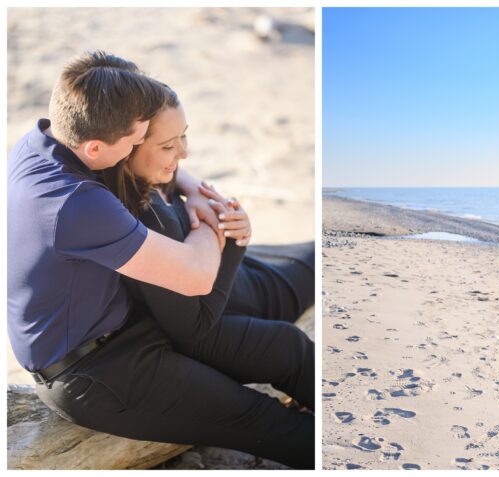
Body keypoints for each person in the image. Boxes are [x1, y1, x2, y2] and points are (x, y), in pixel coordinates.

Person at [7, 51, 312, 469]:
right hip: (97, 374)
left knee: (285, 345)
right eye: (137, 141)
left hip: (127, 327)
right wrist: (208, 216)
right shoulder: (78, 204)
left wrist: (183, 180)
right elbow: (197, 276)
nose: (143, 147)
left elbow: (140, 159)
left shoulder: (44, 139)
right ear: (97, 147)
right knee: (262, 419)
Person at [98, 82, 315, 409]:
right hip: (248, 296)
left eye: (183, 136)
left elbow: (173, 165)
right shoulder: (149, 221)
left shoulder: (150, 173)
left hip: (249, 271)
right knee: (318, 261)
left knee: (315, 251)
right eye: (169, 145)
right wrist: (231, 238)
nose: (183, 152)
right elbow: (193, 327)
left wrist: (195, 189)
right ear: (126, 148)